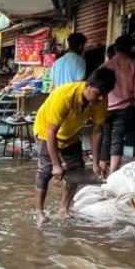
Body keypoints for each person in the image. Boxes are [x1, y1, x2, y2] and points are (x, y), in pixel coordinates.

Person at [33, 68, 114, 223]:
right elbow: (51, 132)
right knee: (45, 171)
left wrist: (96, 163)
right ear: (88, 85)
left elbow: (97, 131)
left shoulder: (100, 99)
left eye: (104, 94)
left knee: (76, 169)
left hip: (71, 134)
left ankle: (63, 209)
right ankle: (39, 212)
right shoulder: (64, 96)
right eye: (97, 93)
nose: (100, 98)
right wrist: (56, 165)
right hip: (46, 131)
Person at [101, 34, 135, 173]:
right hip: (124, 108)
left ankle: (101, 168)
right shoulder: (134, 64)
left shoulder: (105, 66)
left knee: (105, 136)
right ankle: (113, 172)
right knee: (117, 139)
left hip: (106, 107)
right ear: (129, 48)